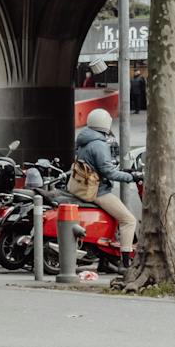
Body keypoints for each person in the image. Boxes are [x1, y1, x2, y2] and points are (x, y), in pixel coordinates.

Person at [70, 108, 137, 268]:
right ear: (106, 124)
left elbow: (98, 167)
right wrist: (131, 177)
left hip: (83, 187)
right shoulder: (99, 145)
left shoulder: (82, 141)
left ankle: (105, 260)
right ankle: (126, 261)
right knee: (128, 220)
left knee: (113, 220)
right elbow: (108, 171)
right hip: (98, 191)